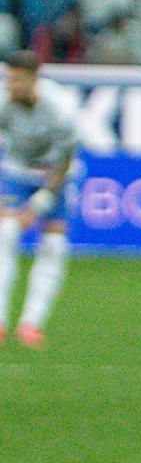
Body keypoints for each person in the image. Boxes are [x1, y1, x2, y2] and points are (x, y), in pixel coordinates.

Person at [0, 52, 80, 346]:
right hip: (19, 172)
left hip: (54, 175)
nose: (11, 85)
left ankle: (31, 324)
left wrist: (42, 201)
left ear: (34, 79)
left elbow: (65, 160)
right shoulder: (5, 103)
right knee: (5, 234)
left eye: (17, 79)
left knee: (54, 247)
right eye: (10, 78)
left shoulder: (61, 108)